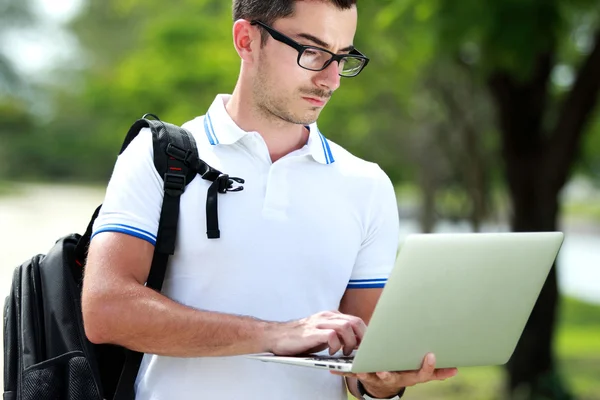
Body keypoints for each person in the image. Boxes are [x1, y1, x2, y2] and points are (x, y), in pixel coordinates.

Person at [81, 1, 458, 399]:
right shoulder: (158, 155)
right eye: (312, 52)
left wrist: (382, 383)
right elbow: (107, 310)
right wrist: (273, 334)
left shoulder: (368, 185)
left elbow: (361, 363)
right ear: (247, 40)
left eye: (343, 58)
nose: (331, 80)